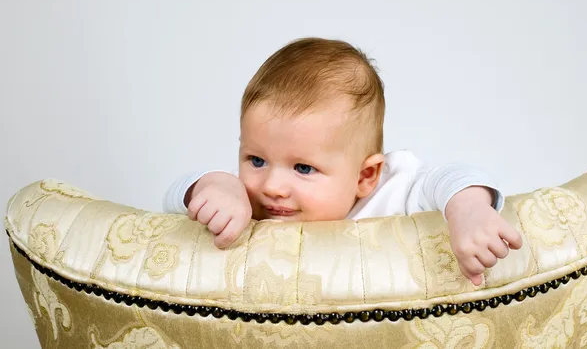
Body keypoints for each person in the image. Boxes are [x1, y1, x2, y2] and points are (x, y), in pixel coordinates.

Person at [164, 37, 523, 285]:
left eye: (303, 168)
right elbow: (172, 202)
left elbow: (449, 177)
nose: (272, 186)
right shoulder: (245, 198)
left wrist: (469, 211)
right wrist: (214, 185)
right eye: (255, 159)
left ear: (365, 175)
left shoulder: (391, 190)